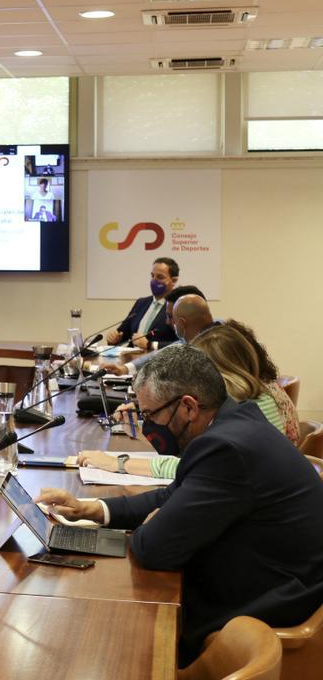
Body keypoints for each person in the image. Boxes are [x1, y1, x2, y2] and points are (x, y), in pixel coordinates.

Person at [43, 345, 323, 666]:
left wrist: (153, 525)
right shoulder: (234, 422)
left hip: (265, 607)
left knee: (113, 638)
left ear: (188, 407)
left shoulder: (226, 448)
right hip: (273, 581)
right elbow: (171, 496)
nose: (147, 425)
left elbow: (154, 550)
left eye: (150, 414)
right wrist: (92, 509)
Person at [80, 323, 299, 479]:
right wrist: (152, 416)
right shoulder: (242, 398)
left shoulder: (249, 406)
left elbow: (197, 466)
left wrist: (119, 463)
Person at [104, 257, 179, 349]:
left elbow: (183, 343)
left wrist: (150, 345)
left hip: (159, 360)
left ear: (174, 280)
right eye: (152, 276)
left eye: (160, 277)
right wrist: (115, 338)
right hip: (130, 359)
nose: (154, 280)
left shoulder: (177, 306)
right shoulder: (141, 303)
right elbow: (123, 332)